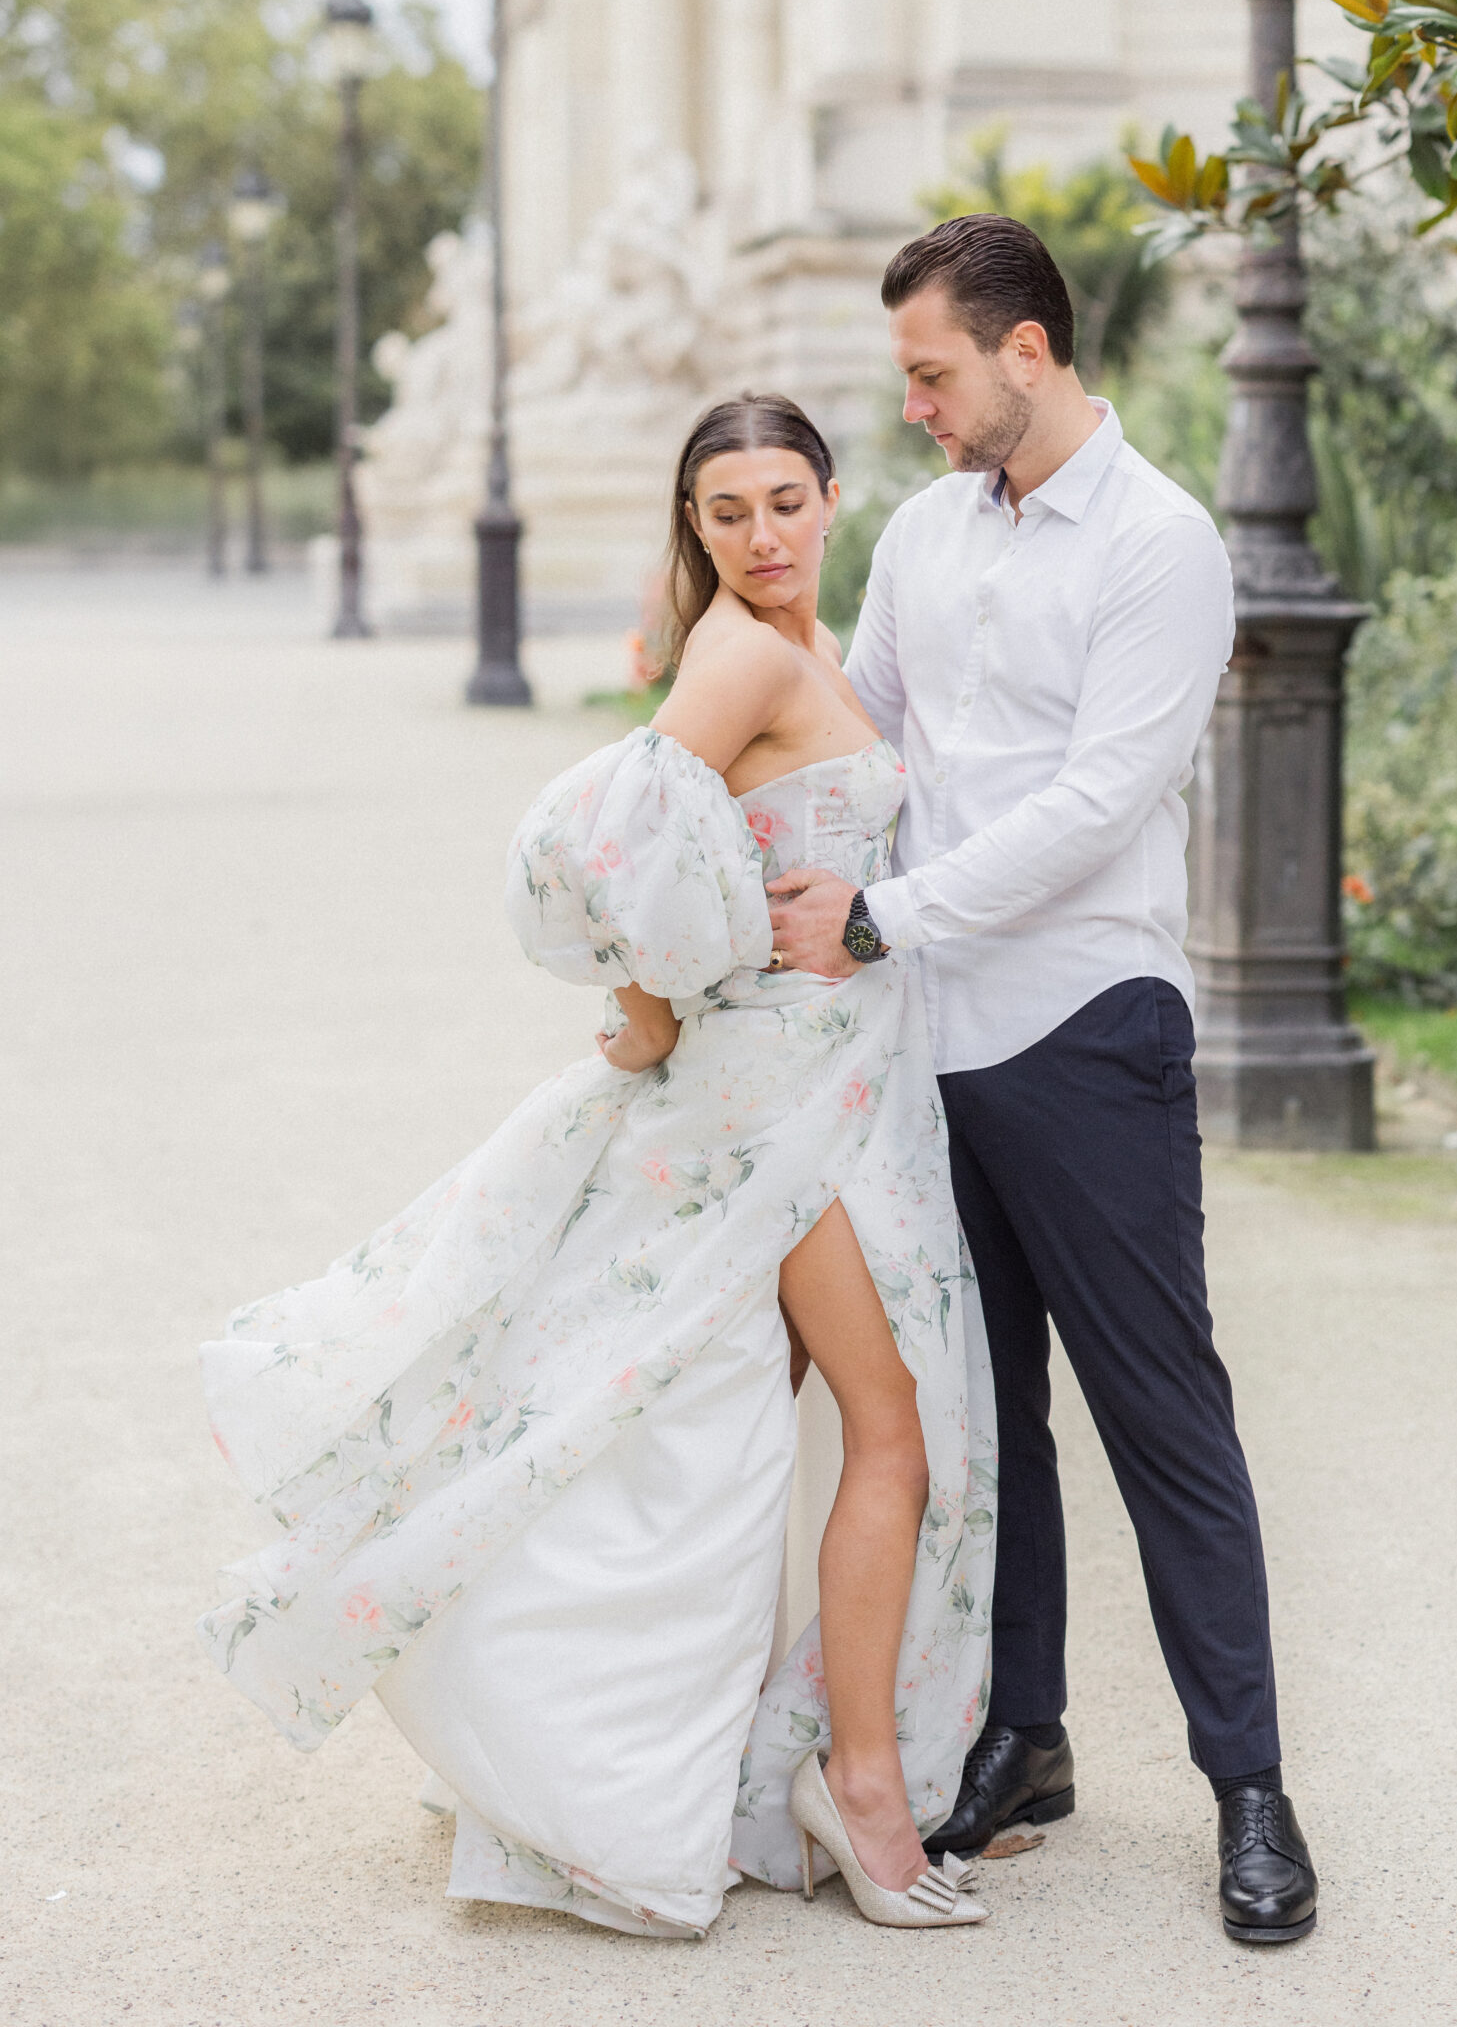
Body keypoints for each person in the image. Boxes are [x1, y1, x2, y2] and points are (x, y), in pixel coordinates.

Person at [198, 393, 994, 1939]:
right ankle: (867, 1794)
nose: (760, 537)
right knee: (894, 1426)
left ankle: (721, 1759)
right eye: (724, 513)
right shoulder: (750, 652)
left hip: (846, 1080)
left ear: (834, 499)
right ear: (692, 528)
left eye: (783, 502)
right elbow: (595, 835)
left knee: (724, 1425)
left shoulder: (815, 647)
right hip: (784, 1102)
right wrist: (648, 1003)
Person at [766, 215, 1319, 1944]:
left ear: (1028, 352)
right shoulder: (928, 534)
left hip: (1086, 1025)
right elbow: (858, 728)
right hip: (923, 1040)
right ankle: (1028, 1735)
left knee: (1165, 1419)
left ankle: (1253, 1793)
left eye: (933, 373)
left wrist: (880, 919)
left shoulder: (1160, 546)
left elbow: (1098, 809)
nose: (915, 407)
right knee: (983, 1422)